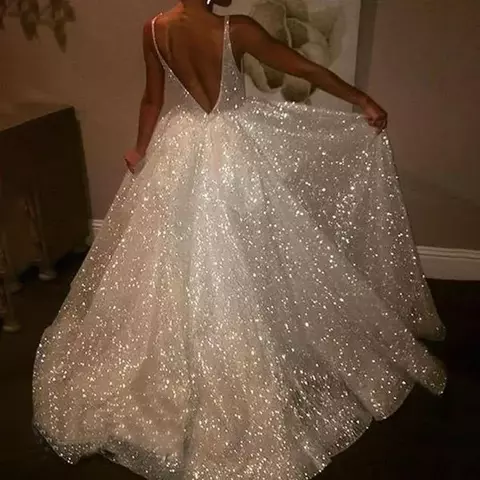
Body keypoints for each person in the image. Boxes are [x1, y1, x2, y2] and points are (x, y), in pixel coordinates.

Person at [33, 1, 446, 479]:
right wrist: (362, 100)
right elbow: (302, 67)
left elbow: (151, 99)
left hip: (179, 146)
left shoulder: (154, 29)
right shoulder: (236, 29)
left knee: (175, 258)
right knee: (248, 253)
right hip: (230, 152)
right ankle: (242, 354)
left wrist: (141, 148)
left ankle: (185, 357)